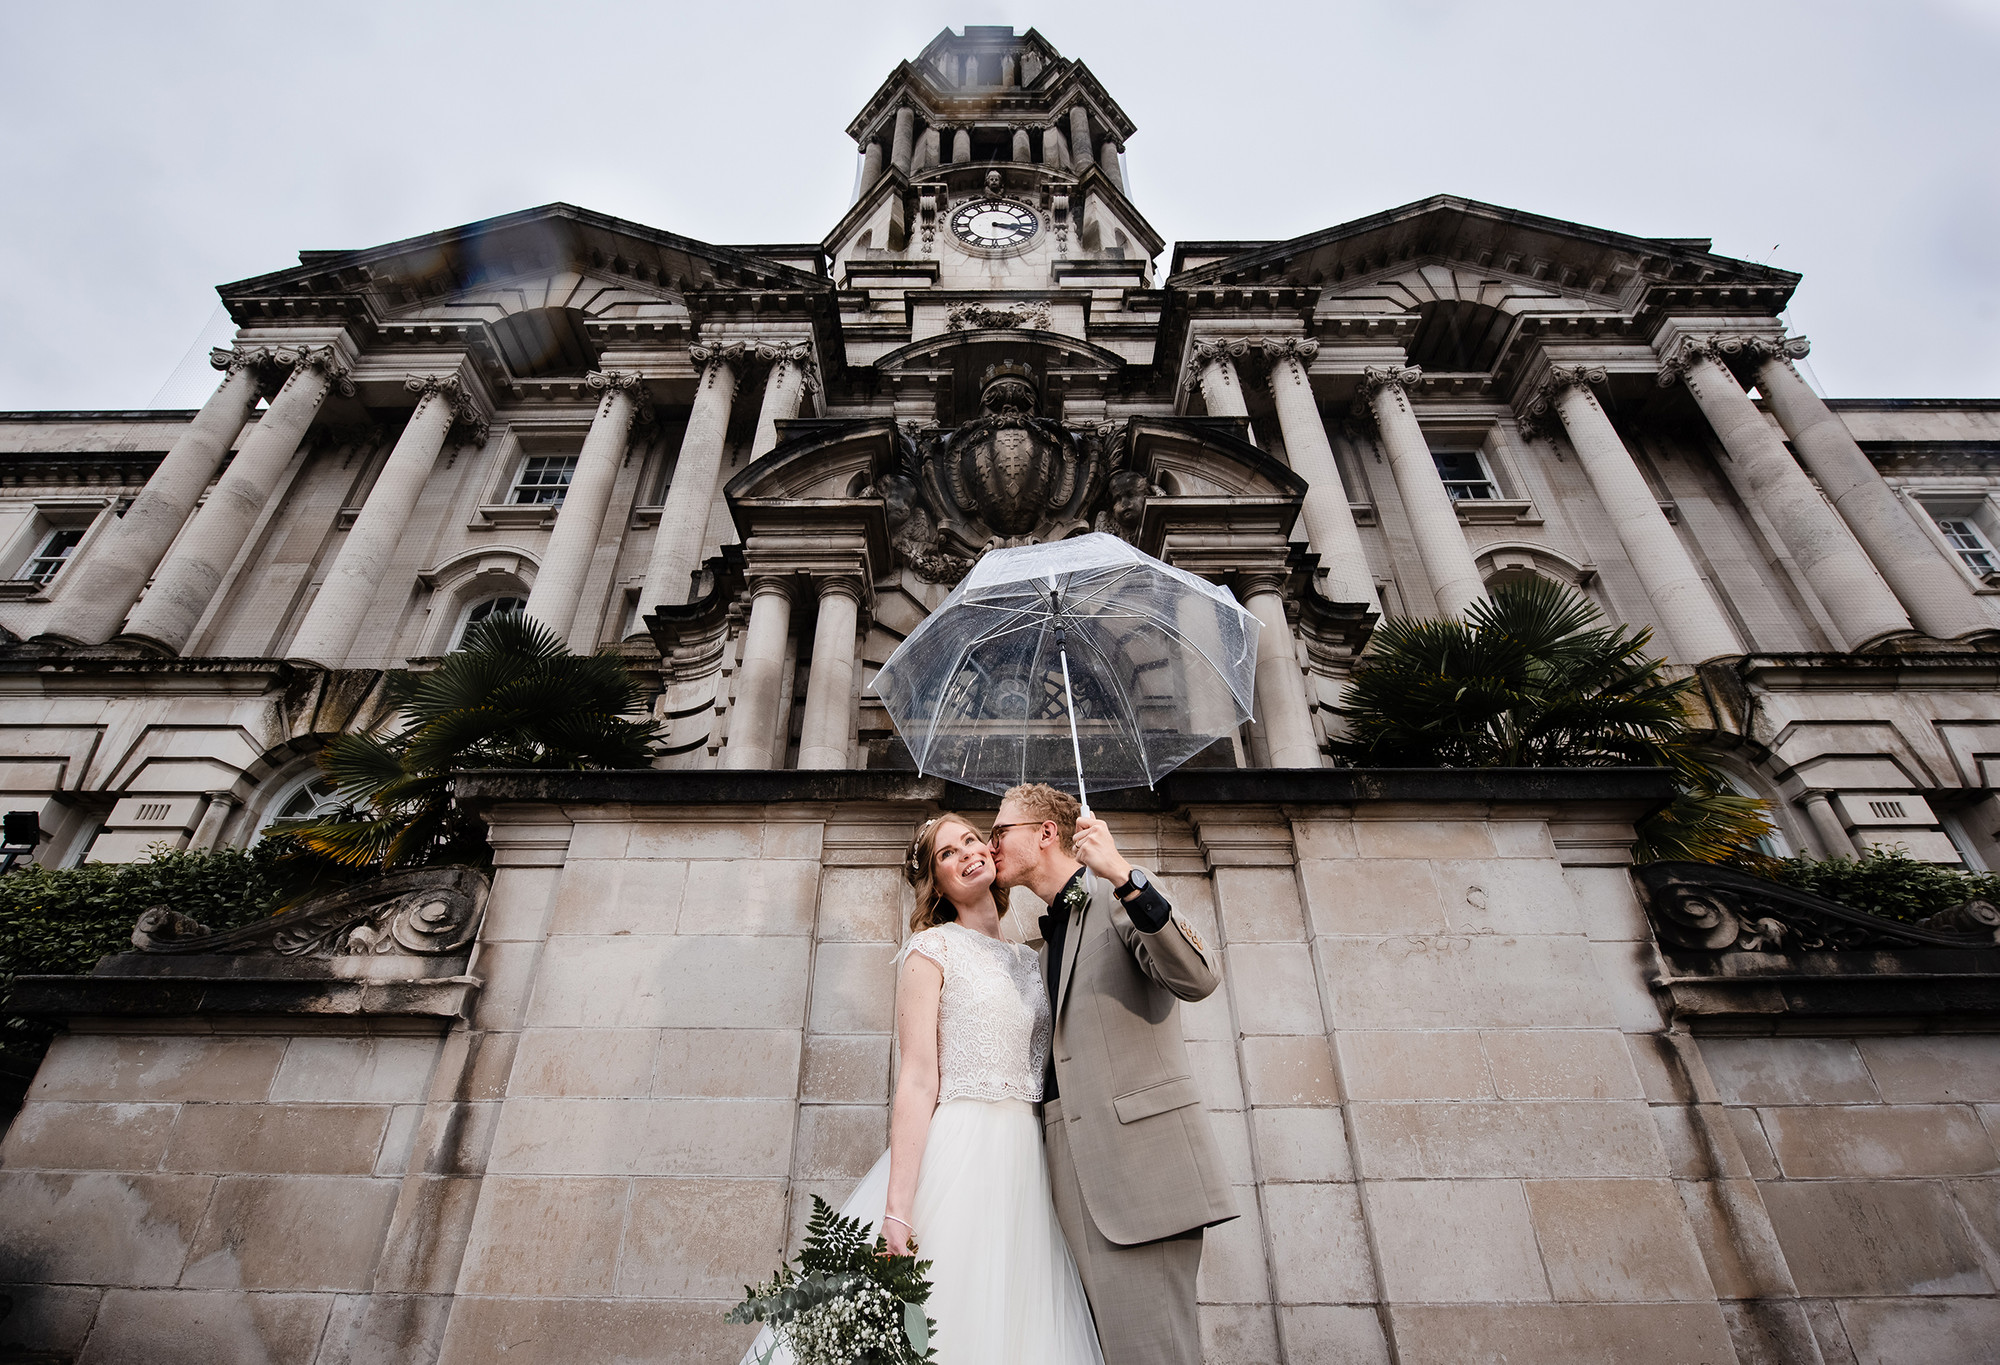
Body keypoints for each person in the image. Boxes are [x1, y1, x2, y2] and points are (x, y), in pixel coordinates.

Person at [739, 813, 1102, 1365]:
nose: (967, 854)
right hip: (960, 1151)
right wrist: (898, 1211)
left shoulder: (1033, 959)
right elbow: (916, 1078)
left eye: (973, 840)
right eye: (948, 854)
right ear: (936, 882)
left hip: (1028, 1163)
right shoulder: (930, 950)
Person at [988, 783, 1236, 1365]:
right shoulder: (1041, 949)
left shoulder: (1116, 897)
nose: (991, 844)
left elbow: (1197, 979)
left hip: (1140, 1179)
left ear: (1046, 833)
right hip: (1067, 1183)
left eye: (1001, 831)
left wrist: (1124, 876)